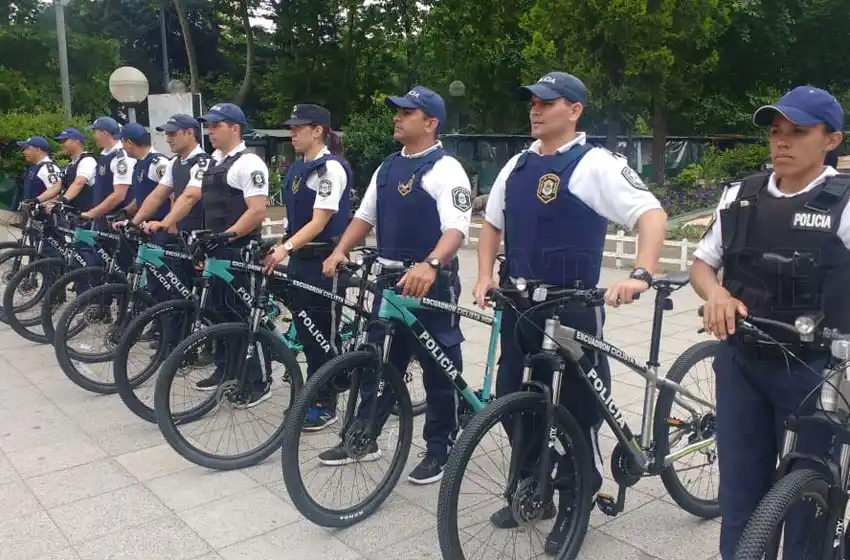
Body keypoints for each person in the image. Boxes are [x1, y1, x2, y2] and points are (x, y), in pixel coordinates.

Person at [473, 71, 667, 552]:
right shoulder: (516, 165)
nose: (535, 109)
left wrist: (640, 273)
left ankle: (574, 495)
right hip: (520, 307)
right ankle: (530, 489)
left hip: (571, 308)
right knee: (514, 404)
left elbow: (651, 213)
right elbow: (492, 226)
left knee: (575, 414)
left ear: (574, 109)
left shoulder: (594, 164)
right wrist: (482, 275)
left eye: (547, 102)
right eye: (532, 102)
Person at [690, 86, 848, 559]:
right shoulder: (742, 196)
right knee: (740, 495)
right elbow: (702, 264)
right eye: (777, 132)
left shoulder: (843, 205)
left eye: (798, 132)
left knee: (807, 504)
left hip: (816, 370)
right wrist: (715, 292)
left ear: (832, 140)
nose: (782, 142)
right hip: (742, 362)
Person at [320, 86, 473, 485]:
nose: (398, 117)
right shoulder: (387, 166)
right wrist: (340, 250)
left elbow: (456, 229)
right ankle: (364, 436)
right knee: (379, 361)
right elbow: (364, 217)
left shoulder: (446, 168)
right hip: (389, 282)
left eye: (407, 112)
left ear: (431, 122)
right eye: (398, 111)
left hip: (430, 284)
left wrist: (431, 263)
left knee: (438, 367)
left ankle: (440, 446)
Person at [262, 104, 351, 431]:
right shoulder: (298, 169)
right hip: (301, 259)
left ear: (318, 130)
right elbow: (294, 219)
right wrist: (280, 243)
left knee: (318, 336)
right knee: (306, 330)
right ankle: (315, 391)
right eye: (292, 127)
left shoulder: (330, 170)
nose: (293, 133)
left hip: (323, 262)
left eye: (300, 127)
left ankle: (325, 403)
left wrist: (284, 247)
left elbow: (319, 221)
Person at [190, 102, 271, 408]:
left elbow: (258, 210)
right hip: (217, 250)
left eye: (215, 125)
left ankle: (258, 381)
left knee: (246, 316)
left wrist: (227, 236)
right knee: (218, 312)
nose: (209, 131)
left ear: (235, 128)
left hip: (240, 250)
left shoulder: (249, 163)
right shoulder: (212, 162)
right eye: (208, 126)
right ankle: (226, 369)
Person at [140, 114, 210, 235]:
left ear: (189, 133)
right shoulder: (174, 162)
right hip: (181, 236)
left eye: (172, 134)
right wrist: (134, 222)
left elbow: (190, 197)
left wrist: (164, 223)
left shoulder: (203, 163)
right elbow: (157, 196)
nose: (168, 139)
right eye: (167, 134)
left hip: (201, 237)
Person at [115, 123, 171, 237]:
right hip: (146, 228)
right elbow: (143, 195)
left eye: (122, 141)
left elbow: (174, 194)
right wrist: (125, 212)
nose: (122, 146)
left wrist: (169, 224)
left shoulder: (158, 163)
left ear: (129, 143)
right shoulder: (139, 163)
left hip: (160, 228)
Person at [81, 117, 135, 224]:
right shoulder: (105, 153)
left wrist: (92, 213)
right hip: (103, 218)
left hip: (116, 220)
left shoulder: (120, 157)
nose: (93, 136)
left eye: (95, 132)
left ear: (104, 133)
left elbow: (119, 194)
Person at [53, 127, 97, 212]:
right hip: (71, 215)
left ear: (77, 141)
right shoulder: (71, 165)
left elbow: (79, 183)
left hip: (85, 216)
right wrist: (39, 201)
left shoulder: (87, 160)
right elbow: (60, 186)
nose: (61, 144)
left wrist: (62, 201)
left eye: (65, 141)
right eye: (61, 142)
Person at [16, 136, 62, 204]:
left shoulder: (47, 168)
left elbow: (58, 194)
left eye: (27, 148)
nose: (24, 152)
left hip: (42, 214)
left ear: (38, 150)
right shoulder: (34, 167)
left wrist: (41, 205)